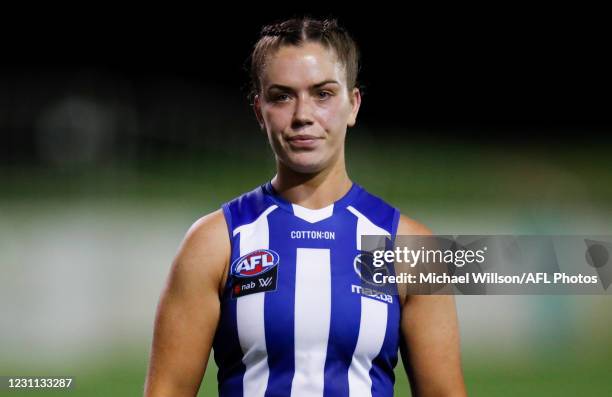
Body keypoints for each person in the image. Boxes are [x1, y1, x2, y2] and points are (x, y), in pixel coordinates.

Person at [144, 17, 466, 397]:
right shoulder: (216, 242)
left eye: (323, 94)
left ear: (353, 105)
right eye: (282, 96)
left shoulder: (410, 248)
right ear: (258, 111)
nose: (303, 115)